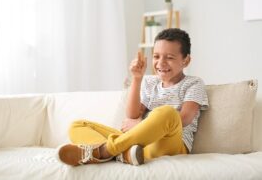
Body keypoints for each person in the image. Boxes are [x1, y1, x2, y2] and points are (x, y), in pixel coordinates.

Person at [57, 28, 208, 166]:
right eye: (156, 56)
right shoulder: (149, 82)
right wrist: (137, 78)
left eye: (169, 57)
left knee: (167, 113)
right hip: (138, 145)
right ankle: (126, 154)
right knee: (77, 125)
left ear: (186, 60)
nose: (161, 63)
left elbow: (183, 120)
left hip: (169, 145)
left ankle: (104, 151)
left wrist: (139, 124)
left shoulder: (193, 83)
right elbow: (132, 114)